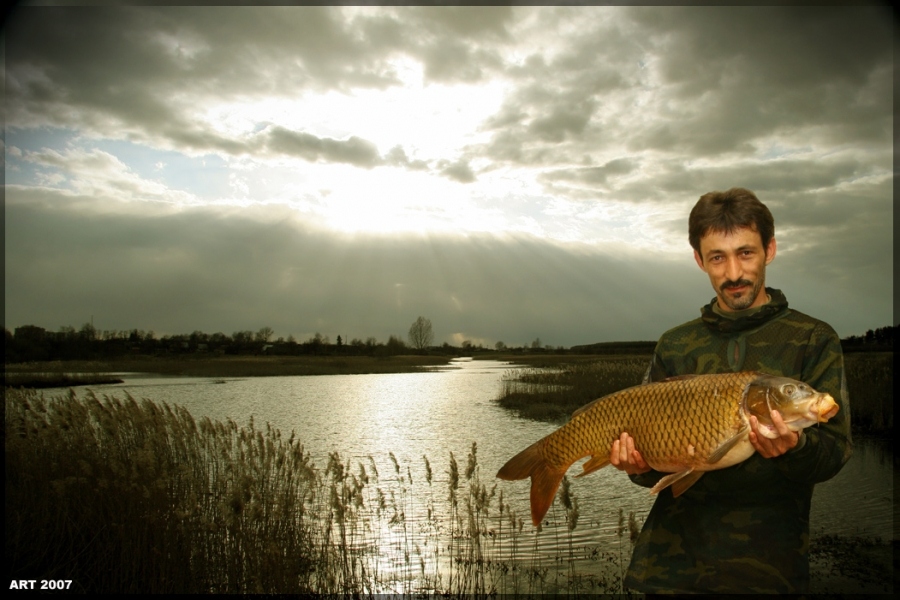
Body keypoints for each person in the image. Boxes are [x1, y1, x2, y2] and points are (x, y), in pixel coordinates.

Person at [609, 187, 852, 594]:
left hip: (768, 569)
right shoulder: (675, 344)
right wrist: (638, 465)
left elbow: (835, 454)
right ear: (699, 259)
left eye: (746, 253)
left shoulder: (813, 338)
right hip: (668, 570)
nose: (734, 273)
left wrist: (796, 448)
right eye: (717, 257)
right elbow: (654, 465)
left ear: (770, 250)